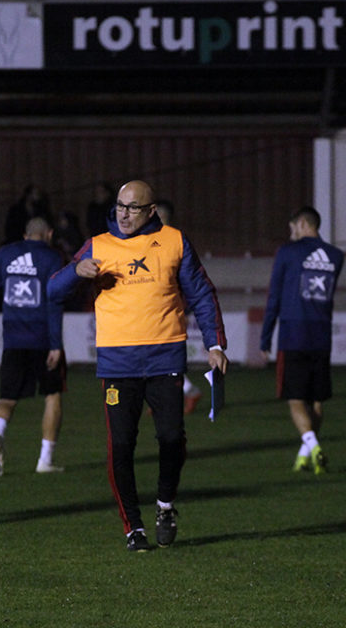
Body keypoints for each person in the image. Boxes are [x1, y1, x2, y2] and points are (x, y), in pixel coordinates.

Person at [49, 180, 228, 552]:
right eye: (120, 206)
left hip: (165, 358)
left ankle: (165, 505)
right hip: (117, 364)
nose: (124, 214)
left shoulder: (175, 241)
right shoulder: (98, 245)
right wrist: (75, 271)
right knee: (121, 446)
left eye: (133, 207)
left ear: (151, 212)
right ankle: (134, 527)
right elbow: (52, 289)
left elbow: (201, 293)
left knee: (171, 438)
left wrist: (215, 344)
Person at [259, 207, 344, 475]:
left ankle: (313, 446)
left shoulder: (287, 252)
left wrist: (265, 338)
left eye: (292, 227)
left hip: (293, 334)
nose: (291, 233)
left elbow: (275, 297)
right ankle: (305, 456)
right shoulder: (336, 256)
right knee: (316, 400)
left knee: (295, 398)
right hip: (322, 334)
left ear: (303, 223)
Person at [0, 217, 67, 476]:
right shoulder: (52, 258)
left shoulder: (6, 254)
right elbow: (54, 302)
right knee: (52, 395)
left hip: (13, 339)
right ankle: (45, 459)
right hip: (42, 339)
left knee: (7, 398)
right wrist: (56, 345)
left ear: (25, 233)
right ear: (49, 234)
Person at [154, 199, 202, 414]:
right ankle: (164, 398)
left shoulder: (173, 242)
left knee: (160, 355)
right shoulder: (158, 240)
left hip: (170, 309)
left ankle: (187, 391)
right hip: (159, 308)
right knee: (155, 355)